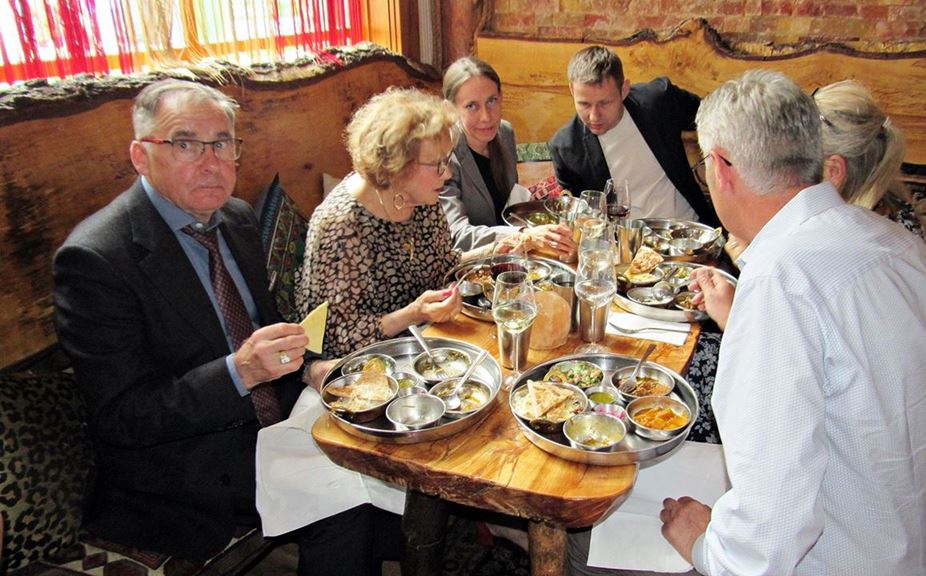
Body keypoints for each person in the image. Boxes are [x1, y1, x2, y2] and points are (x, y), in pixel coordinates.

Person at [52, 79, 396, 575]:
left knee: (393, 443)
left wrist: (312, 369)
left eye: (222, 143)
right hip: (183, 465)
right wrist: (240, 372)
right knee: (345, 505)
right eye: (186, 144)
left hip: (269, 420)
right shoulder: (96, 259)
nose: (211, 162)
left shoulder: (234, 219)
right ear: (141, 156)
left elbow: (261, 326)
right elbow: (124, 417)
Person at [660, 69, 926, 575]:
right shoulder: (898, 244)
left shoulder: (780, 279)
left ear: (720, 167)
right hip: (924, 547)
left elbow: (773, 521)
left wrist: (704, 546)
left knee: (597, 543)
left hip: (843, 560)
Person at [296, 87, 523, 358]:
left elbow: (442, 263)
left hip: (427, 338)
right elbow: (335, 339)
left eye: (447, 160)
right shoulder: (340, 227)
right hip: (370, 364)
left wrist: (494, 251)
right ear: (397, 165)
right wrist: (414, 314)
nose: (447, 173)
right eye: (438, 164)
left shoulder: (420, 198)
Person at [723, 78, 924, 261]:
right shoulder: (886, 211)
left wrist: (750, 260)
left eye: (793, 160)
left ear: (832, 171)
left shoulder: (846, 240)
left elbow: (792, 282)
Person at [547, 45, 718, 226]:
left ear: (624, 90)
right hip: (624, 240)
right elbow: (580, 217)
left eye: (605, 103)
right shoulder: (566, 148)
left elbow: (713, 115)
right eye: (584, 104)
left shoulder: (658, 101)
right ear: (572, 90)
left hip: (689, 231)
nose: (594, 116)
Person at [440, 56, 575, 256]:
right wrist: (524, 235)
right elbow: (458, 236)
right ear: (450, 109)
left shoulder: (504, 132)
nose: (486, 116)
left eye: (491, 101)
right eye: (472, 106)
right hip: (476, 262)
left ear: (501, 97)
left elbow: (511, 207)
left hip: (513, 255)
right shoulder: (443, 156)